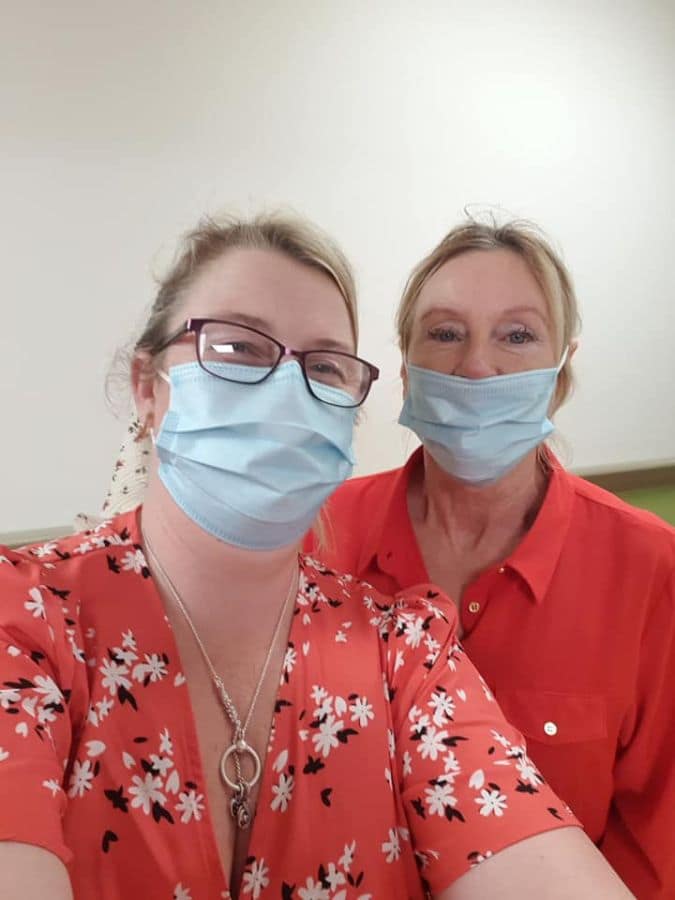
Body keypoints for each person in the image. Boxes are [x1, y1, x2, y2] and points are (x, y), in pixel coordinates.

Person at [0, 213, 633, 900]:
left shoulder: (402, 651)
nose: (284, 388)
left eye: (324, 365)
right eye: (238, 346)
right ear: (148, 387)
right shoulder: (27, 622)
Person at [309, 219, 675, 899]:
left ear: (561, 369)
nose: (478, 366)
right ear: (404, 366)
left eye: (517, 335)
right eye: (446, 333)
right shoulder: (318, 537)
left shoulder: (650, 569)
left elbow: (656, 847)